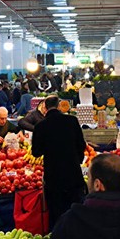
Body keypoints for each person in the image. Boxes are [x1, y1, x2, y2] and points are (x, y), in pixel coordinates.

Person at [32, 96, 86, 228]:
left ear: (45, 108)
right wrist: (77, 160)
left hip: (53, 177)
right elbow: (81, 145)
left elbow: (36, 152)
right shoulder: (72, 121)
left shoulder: (40, 126)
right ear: (59, 106)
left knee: (56, 214)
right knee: (75, 212)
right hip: (73, 174)